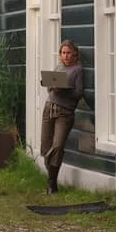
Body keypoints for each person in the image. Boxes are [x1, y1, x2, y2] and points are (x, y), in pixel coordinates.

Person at [40, 39, 83, 193]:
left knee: (57, 146)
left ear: (74, 54)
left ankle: (52, 183)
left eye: (68, 53)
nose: (66, 56)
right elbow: (50, 89)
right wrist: (51, 85)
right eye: (63, 53)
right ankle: (50, 180)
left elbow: (79, 93)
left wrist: (64, 90)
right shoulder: (58, 67)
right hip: (49, 108)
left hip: (65, 112)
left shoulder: (77, 70)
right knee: (46, 146)